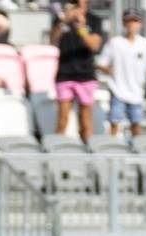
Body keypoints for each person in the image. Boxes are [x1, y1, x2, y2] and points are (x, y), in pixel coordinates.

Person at [98, 11, 146, 139]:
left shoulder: (144, 43)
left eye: (134, 21)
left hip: (136, 92)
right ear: (124, 23)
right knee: (114, 123)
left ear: (140, 24)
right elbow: (101, 63)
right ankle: (112, 153)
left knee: (136, 125)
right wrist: (109, 70)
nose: (132, 24)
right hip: (117, 90)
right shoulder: (114, 42)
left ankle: (136, 153)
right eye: (129, 21)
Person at [51, 0, 105, 141]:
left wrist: (81, 27)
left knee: (86, 120)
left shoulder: (94, 20)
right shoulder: (61, 19)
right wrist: (64, 22)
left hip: (86, 75)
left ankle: (88, 153)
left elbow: (94, 46)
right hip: (64, 74)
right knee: (62, 119)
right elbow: (52, 41)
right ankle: (58, 150)